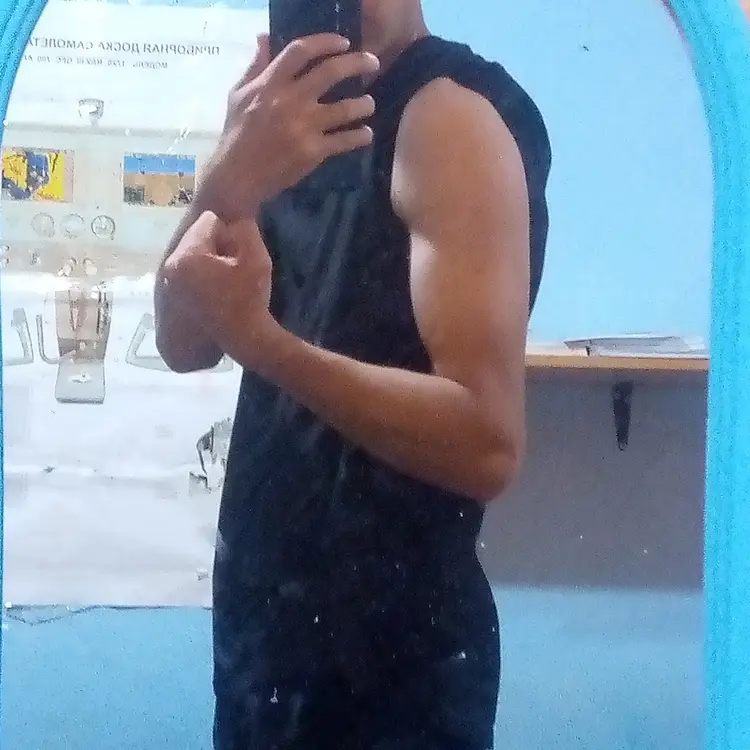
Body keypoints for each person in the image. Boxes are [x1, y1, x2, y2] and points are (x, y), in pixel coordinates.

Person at [154, 0, 550, 747]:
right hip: (265, 642)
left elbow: (487, 442)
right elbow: (184, 342)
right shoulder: (282, 119)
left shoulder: (448, 116)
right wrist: (226, 178)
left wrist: (266, 346)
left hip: (393, 662)